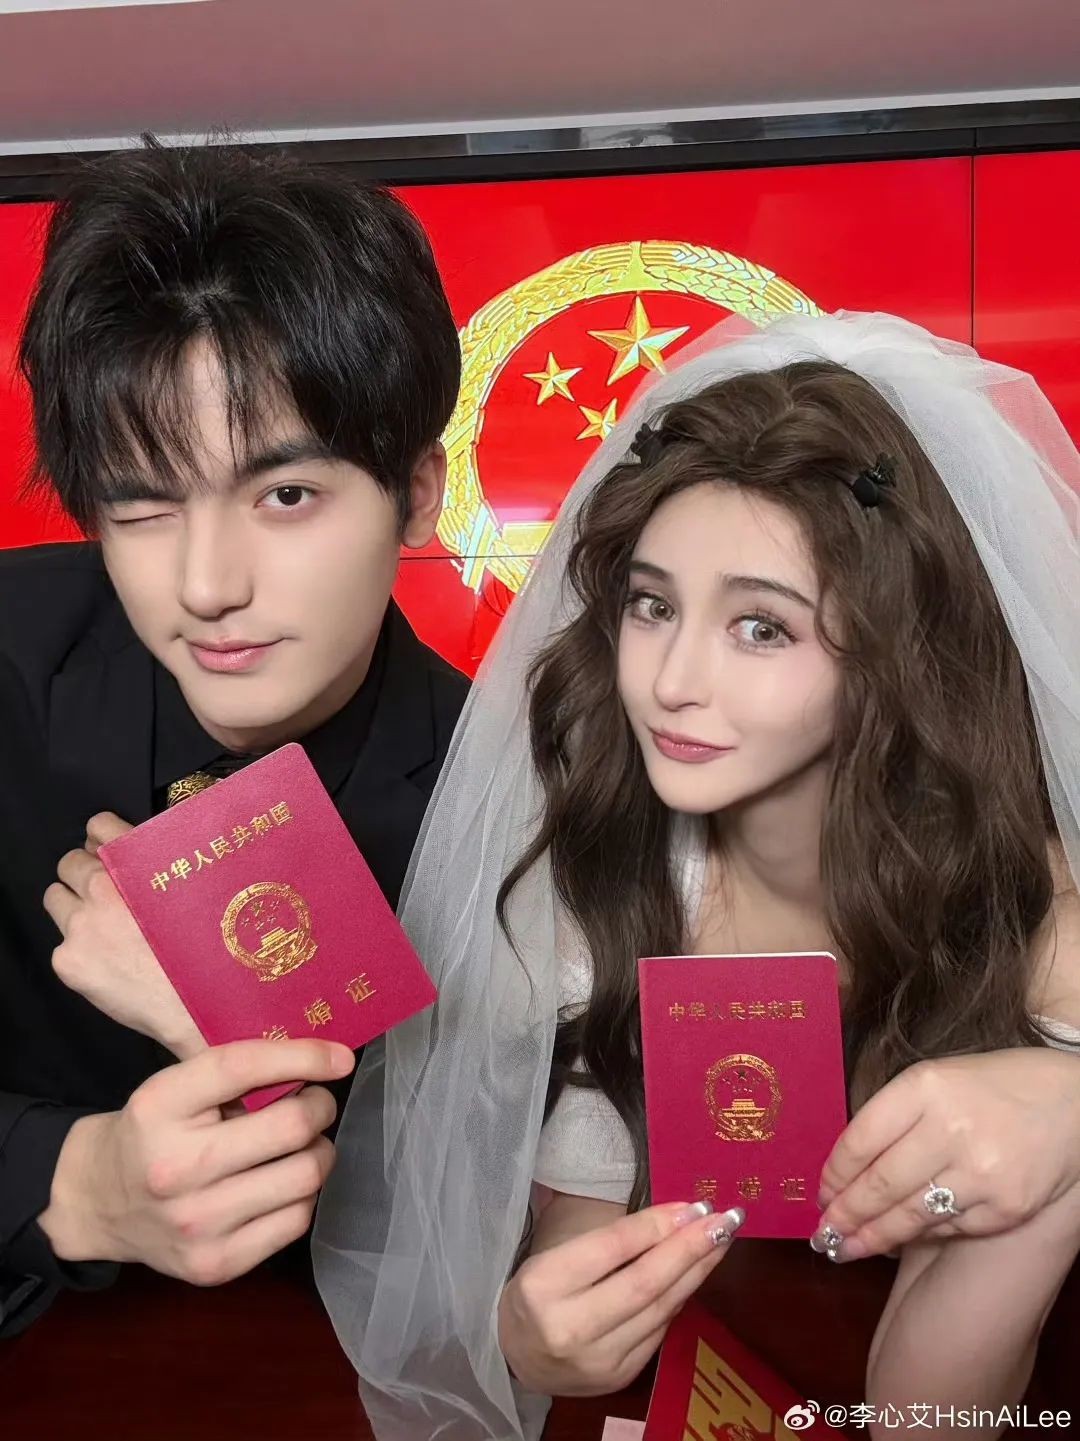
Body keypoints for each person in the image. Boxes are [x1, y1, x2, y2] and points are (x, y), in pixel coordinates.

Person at [313, 311, 1080, 1441]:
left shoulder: (1041, 925)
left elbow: (925, 1417)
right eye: (653, 604)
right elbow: (587, 1205)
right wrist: (537, 1326)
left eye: (761, 628)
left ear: (894, 651)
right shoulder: (610, 876)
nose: (672, 679)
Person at [0, 137, 466, 1338]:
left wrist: (224, 1012)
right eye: (145, 506)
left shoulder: (506, 788)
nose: (208, 586)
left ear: (419, 493)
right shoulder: (8, 666)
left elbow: (486, 1197)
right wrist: (71, 1181)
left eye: (286, 495)